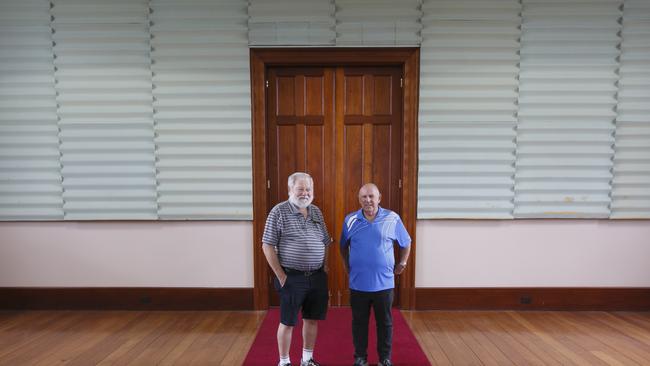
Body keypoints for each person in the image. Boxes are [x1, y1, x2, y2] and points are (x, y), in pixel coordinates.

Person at [262, 172, 332, 366]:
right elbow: (267, 245)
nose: (305, 193)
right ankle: (284, 361)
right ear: (290, 190)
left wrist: (325, 266)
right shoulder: (279, 211)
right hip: (291, 277)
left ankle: (307, 359)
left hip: (317, 277)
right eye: (300, 189)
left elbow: (326, 241)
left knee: (311, 319)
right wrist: (281, 275)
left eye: (308, 189)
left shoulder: (316, 211)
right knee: (288, 321)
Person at [339, 183, 411, 366]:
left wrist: (402, 262)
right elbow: (342, 246)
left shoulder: (392, 218)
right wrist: (347, 264)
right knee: (359, 323)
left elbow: (406, 242)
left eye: (371, 196)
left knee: (385, 324)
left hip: (384, 284)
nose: (368, 200)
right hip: (358, 284)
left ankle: (385, 358)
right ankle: (360, 358)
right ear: (359, 199)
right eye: (364, 197)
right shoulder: (350, 220)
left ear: (379, 198)